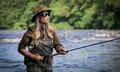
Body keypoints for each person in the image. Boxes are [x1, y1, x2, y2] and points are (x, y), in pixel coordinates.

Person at [18, 5, 67, 72]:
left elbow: (57, 45)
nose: (47, 16)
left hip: (48, 64)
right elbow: (21, 49)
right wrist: (34, 57)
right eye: (44, 14)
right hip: (33, 65)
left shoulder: (51, 30)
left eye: (48, 14)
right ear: (38, 17)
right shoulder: (30, 32)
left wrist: (60, 49)